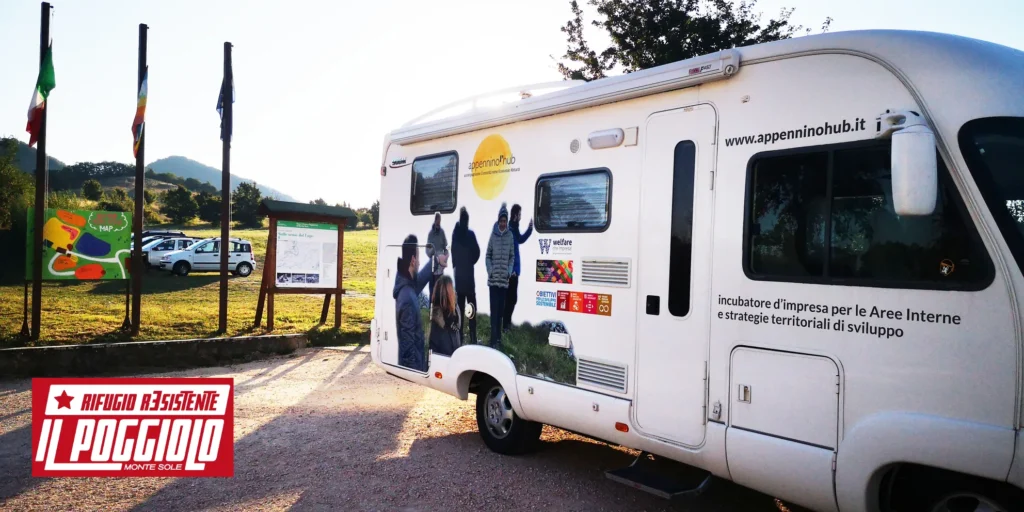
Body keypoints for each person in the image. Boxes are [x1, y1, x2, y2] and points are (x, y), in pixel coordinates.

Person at [393, 234, 445, 372]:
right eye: (419, 258)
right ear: (413, 260)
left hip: (414, 363)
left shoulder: (406, 284)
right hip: (413, 367)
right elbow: (407, 345)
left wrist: (436, 260)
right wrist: (416, 374)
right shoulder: (407, 299)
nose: (420, 262)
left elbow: (419, 280)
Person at [485, 203, 515, 349]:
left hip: (504, 280)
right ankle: (492, 340)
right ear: (498, 221)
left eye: (505, 221)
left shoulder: (510, 236)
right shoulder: (493, 235)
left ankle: (499, 340)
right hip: (493, 280)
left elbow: (512, 257)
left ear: (507, 221)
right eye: (501, 221)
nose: (503, 223)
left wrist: (509, 271)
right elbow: (487, 255)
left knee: (501, 312)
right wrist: (490, 270)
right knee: (494, 311)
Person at [451, 206, 481, 345]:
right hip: (469, 277)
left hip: (459, 278)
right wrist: (470, 262)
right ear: (467, 221)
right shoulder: (471, 235)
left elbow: (453, 254)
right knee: (472, 307)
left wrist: (457, 266)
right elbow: (477, 253)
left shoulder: (455, 235)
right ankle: (473, 337)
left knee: (460, 309)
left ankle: (460, 337)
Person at [503, 204, 533, 332]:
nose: (521, 217)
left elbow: (520, 239)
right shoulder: (509, 230)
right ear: (515, 215)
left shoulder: (514, 228)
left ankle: (507, 323)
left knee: (512, 299)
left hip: (515, 271)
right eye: (520, 214)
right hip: (511, 272)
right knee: (510, 299)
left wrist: (530, 229)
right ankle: (505, 325)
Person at [428, 275, 461, 357]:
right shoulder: (437, 325)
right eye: (452, 289)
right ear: (447, 294)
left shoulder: (454, 318)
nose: (455, 292)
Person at [426, 211, 448, 301]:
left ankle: (441, 311)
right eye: (437, 222)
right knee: (433, 292)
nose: (439, 224)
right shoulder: (430, 234)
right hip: (433, 268)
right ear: (435, 221)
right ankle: (431, 312)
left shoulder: (442, 232)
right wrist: (435, 255)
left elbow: (446, 248)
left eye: (440, 222)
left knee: (441, 291)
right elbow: (427, 251)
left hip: (441, 269)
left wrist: (446, 257)